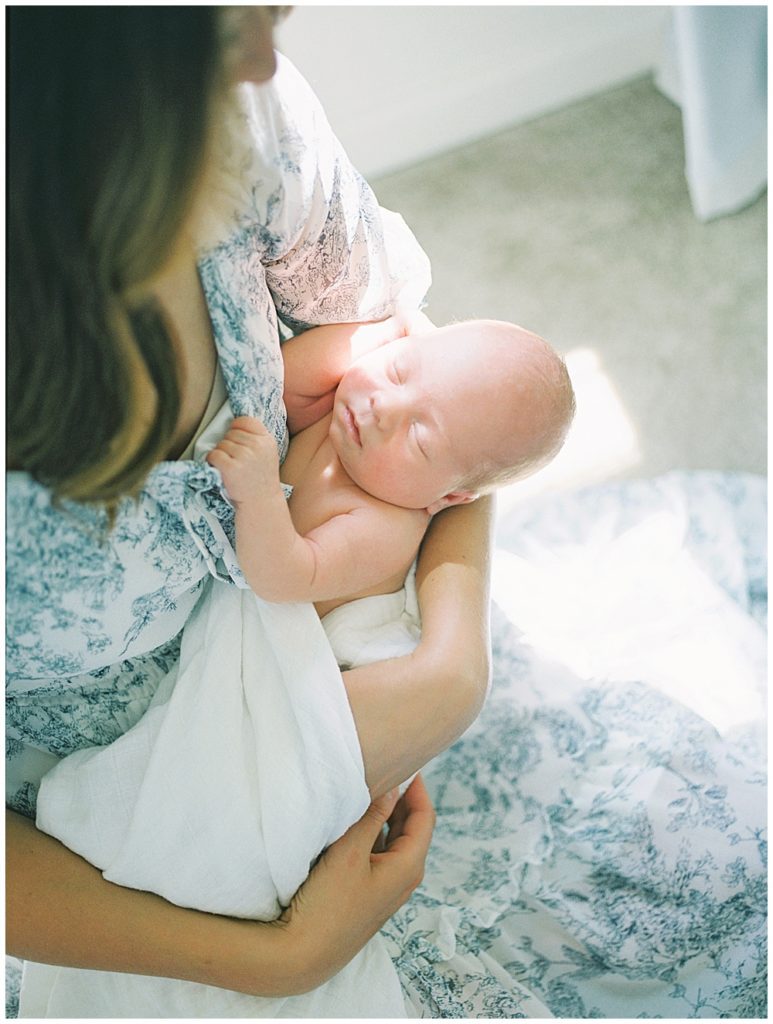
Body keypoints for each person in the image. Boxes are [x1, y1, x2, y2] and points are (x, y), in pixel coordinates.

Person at [6, 7, 493, 1015]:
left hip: (334, 696)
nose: (266, 62)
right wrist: (275, 958)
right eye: (224, 35)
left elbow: (446, 389)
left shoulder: (244, 116)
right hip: (94, 835)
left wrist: (451, 660)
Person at [207, 318, 575, 617]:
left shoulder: (383, 527)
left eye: (419, 437)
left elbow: (282, 580)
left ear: (448, 496)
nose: (384, 407)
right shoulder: (352, 419)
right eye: (398, 371)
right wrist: (388, 327)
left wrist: (259, 495)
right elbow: (281, 386)